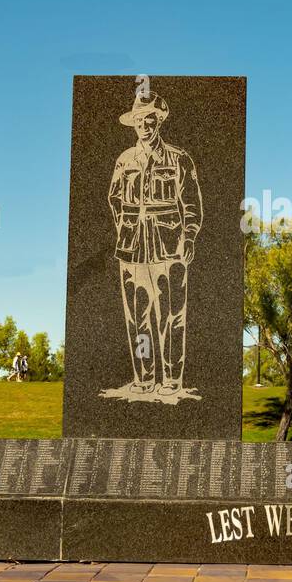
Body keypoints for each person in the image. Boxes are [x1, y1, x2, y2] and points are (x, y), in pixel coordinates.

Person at [107, 91, 202, 397]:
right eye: (139, 120)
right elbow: (115, 199)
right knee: (138, 317)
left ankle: (172, 378)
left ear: (159, 121)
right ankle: (144, 377)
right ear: (134, 124)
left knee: (172, 315)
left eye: (150, 119)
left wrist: (188, 234)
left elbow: (191, 203)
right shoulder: (125, 160)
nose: (145, 125)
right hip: (133, 249)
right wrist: (126, 229)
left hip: (169, 246)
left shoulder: (178, 158)